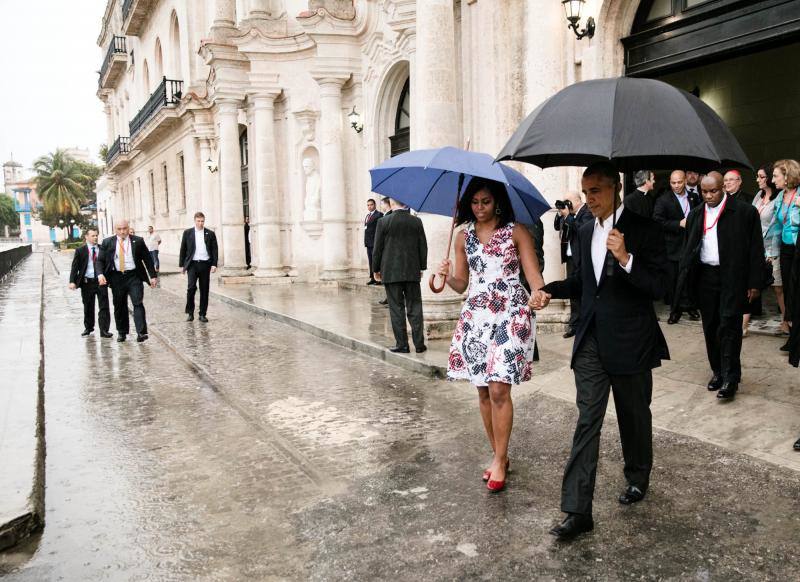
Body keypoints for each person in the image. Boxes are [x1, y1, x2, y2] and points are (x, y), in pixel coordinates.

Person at [536, 162, 669, 540]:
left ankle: (637, 476)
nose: (589, 198)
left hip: (631, 342)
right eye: (586, 190)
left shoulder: (644, 229)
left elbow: (660, 287)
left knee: (633, 416)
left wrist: (627, 258)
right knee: (587, 421)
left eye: (596, 191)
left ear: (617, 189)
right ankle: (578, 510)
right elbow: (584, 281)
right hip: (592, 340)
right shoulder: (581, 230)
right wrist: (551, 290)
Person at [438, 178, 543, 493]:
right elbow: (461, 284)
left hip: (510, 310)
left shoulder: (516, 232)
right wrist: (445, 276)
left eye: (485, 201)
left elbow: (534, 275)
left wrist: (539, 293)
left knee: (499, 389)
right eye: (474, 202)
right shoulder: (462, 236)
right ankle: (500, 454)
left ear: (497, 202)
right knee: (483, 391)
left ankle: (499, 460)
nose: (479, 208)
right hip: (476, 314)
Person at [677, 172, 763, 400]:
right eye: (704, 191)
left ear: (723, 187)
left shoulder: (744, 212)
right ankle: (717, 371)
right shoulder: (696, 214)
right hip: (706, 276)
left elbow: (756, 249)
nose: (708, 196)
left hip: (732, 277)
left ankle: (731, 378)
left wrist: (755, 282)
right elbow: (689, 247)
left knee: (730, 326)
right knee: (711, 326)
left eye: (713, 191)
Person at [372, 199, 427, 353]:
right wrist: (421, 267)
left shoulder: (383, 222)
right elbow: (423, 245)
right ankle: (419, 344)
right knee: (415, 307)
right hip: (412, 270)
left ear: (391, 202)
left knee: (396, 308)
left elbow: (377, 249)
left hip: (390, 271)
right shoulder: (416, 221)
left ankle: (402, 344)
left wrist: (375, 269)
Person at [96, 219, 158, 342]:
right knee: (119, 305)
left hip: (134, 276)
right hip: (117, 277)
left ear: (128, 228)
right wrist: (100, 274)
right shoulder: (108, 242)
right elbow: (100, 260)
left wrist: (153, 276)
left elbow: (147, 259)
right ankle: (122, 332)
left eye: (125, 228)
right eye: (119, 229)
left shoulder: (138, 241)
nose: (123, 231)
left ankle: (141, 332)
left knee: (137, 302)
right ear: (115, 230)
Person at [653, 170, 700, 324]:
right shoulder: (663, 200)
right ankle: (675, 311)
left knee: (690, 278)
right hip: (673, 247)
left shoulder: (694, 197)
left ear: (685, 180)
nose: (676, 186)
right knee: (674, 281)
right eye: (673, 183)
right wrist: (678, 224)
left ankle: (691, 306)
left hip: (691, 245)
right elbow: (657, 222)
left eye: (679, 182)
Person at [743, 165, 780, 336]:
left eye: (761, 177)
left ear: (769, 178)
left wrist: (771, 252)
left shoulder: (778, 199)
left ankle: (788, 321)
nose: (757, 180)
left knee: (778, 288)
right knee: (751, 283)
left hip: (772, 247)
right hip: (755, 246)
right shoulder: (759, 195)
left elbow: (776, 226)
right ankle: (743, 324)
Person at [554, 191, 593, 337]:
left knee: (584, 292)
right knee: (573, 291)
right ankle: (574, 325)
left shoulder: (587, 212)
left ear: (577, 200)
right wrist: (560, 214)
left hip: (582, 258)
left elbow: (581, 229)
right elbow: (557, 227)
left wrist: (569, 215)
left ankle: (585, 325)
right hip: (570, 258)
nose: (566, 204)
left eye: (568, 201)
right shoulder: (568, 215)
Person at [772, 159, 800, 344]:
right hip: (786, 249)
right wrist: (771, 252)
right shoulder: (780, 197)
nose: (773, 180)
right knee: (790, 292)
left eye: (775, 176)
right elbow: (776, 227)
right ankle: (793, 337)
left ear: (787, 175)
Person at [68, 228, 112, 338]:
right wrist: (72, 281)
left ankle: (104, 330)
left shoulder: (102, 249)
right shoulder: (80, 250)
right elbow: (75, 267)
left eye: (96, 235)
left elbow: (108, 264)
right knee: (88, 306)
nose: (95, 237)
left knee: (104, 306)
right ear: (86, 237)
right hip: (87, 282)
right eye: (93, 236)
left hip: (101, 282)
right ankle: (88, 327)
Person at [179, 212, 219, 323]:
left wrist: (214, 264)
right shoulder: (187, 233)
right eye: (198, 221)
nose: (200, 223)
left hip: (205, 264)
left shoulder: (210, 233)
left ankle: (202, 314)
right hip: (192, 264)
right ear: (195, 221)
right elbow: (183, 249)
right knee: (191, 288)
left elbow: (215, 249)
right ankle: (190, 312)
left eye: (202, 221)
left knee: (204, 290)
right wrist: (182, 265)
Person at [377, 198, 393, 307]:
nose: (381, 205)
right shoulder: (384, 216)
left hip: (388, 252)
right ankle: (389, 298)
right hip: (385, 252)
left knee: (390, 278)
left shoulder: (389, 216)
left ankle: (391, 299)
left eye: (381, 203)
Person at [364, 198, 383, 285]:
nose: (369, 206)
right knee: (370, 261)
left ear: (375, 205)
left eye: (371, 204)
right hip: (368, 243)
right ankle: (372, 278)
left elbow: (379, 230)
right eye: (368, 205)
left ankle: (378, 279)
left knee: (376, 261)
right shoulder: (368, 216)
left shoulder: (379, 215)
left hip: (375, 242)